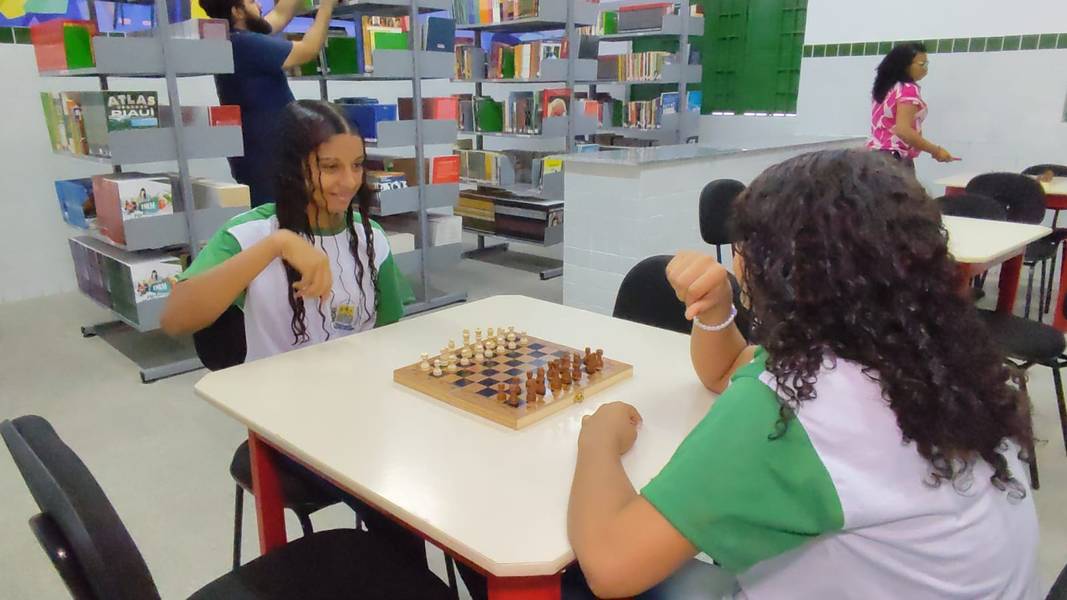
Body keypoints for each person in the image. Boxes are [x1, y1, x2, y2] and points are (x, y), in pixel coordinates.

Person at [566, 149, 1039, 599]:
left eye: (748, 247)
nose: (738, 259)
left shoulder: (791, 410)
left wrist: (598, 441)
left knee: (577, 579)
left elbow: (610, 565)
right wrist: (717, 313)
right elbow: (728, 369)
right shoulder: (928, 356)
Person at [199, 0, 338, 206]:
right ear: (237, 12)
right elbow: (309, 49)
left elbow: (280, 15)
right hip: (269, 160)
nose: (260, 6)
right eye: (252, 2)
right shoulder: (244, 44)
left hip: (263, 157)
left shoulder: (232, 40)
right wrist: (327, 6)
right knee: (281, 222)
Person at [867, 42, 958, 169]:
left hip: (874, 157)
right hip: (894, 159)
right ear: (904, 65)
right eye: (922, 64)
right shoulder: (907, 89)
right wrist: (936, 151)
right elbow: (903, 130)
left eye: (927, 64)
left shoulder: (885, 87)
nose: (926, 69)